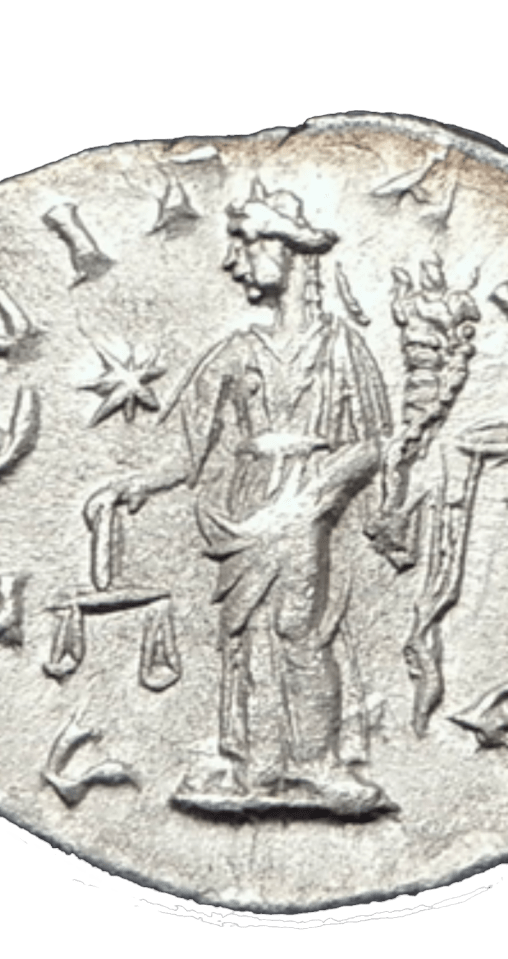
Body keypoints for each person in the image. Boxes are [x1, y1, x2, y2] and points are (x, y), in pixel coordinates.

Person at [85, 180, 395, 815]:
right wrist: (133, 484)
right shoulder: (236, 351)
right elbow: (192, 450)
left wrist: (312, 499)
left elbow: (370, 445)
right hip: (246, 507)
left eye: (248, 244)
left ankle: (317, 766)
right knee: (248, 633)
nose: (234, 262)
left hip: (308, 502)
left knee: (300, 629)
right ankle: (257, 767)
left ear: (287, 249)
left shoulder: (342, 346)